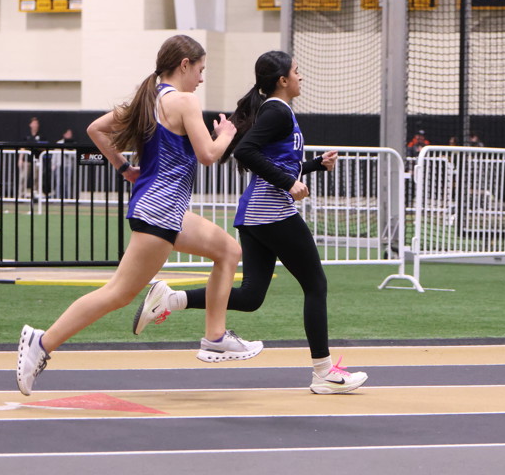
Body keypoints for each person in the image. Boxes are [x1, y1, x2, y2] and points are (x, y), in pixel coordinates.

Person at [17, 34, 259, 395]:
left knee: (228, 251)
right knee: (118, 293)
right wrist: (226, 133)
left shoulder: (149, 100)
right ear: (184, 65)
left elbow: (95, 129)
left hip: (164, 211)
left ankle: (215, 336)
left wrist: (124, 168)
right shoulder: (184, 101)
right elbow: (209, 155)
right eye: (200, 69)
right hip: (160, 214)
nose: (201, 78)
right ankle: (42, 342)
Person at [132, 50, 367, 395]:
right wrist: (288, 184)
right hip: (272, 213)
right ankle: (324, 372)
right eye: (297, 72)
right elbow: (246, 152)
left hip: (256, 215)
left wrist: (315, 165)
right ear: (283, 80)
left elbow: (278, 161)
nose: (302, 77)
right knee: (316, 285)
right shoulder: (277, 111)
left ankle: (171, 299)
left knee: (251, 296)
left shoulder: (277, 111)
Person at [52, 128, 77, 199]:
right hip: (59, 165)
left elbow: (75, 155)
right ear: (64, 134)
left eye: (70, 134)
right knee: (59, 182)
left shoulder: (73, 144)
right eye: (68, 133)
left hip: (69, 165)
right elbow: (54, 154)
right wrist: (53, 164)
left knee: (68, 182)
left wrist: (68, 151)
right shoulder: (59, 143)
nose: (69, 135)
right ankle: (58, 197)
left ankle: (67, 198)